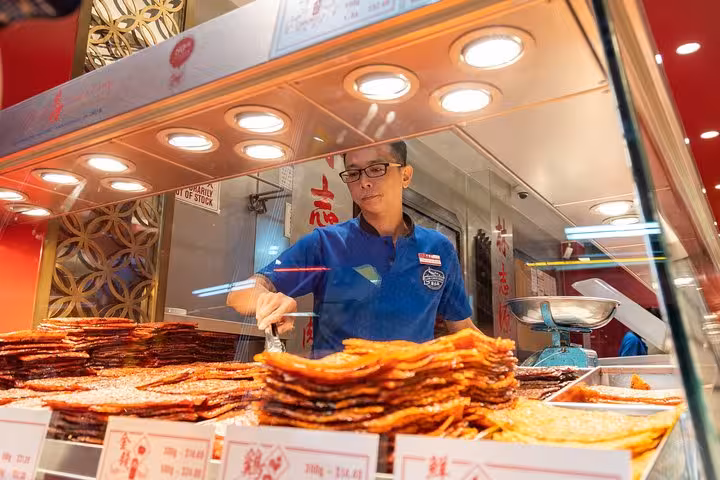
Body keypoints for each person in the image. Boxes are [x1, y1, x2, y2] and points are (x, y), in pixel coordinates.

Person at [228, 141, 479, 357]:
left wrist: (509, 363)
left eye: (376, 169)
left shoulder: (439, 248)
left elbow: (462, 328)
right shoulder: (326, 243)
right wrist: (267, 299)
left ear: (405, 175)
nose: (364, 182)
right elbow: (238, 294)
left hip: (412, 399)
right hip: (335, 401)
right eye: (353, 173)